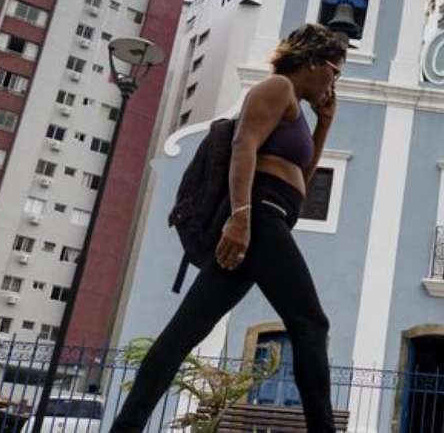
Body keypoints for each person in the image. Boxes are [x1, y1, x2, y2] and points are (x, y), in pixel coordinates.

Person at [111, 23, 347, 432]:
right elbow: (244, 145)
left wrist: (324, 125)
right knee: (311, 323)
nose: (334, 80)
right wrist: (240, 218)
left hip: (273, 221)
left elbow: (301, 184)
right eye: (334, 69)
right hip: (260, 216)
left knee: (183, 334)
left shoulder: (299, 110)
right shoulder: (277, 87)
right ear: (311, 61)